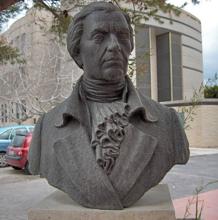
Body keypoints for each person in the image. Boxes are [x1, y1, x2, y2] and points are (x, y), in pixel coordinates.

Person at [29, 1, 189, 210]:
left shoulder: (168, 122)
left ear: (130, 46)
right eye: (99, 37)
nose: (114, 46)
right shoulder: (47, 127)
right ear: (77, 51)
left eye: (122, 37)